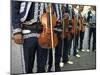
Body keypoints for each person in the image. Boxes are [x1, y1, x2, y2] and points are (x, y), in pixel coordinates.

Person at [12, 1, 48, 73]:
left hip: (44, 32)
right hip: (28, 31)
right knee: (28, 65)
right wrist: (17, 31)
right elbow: (14, 10)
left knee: (42, 65)